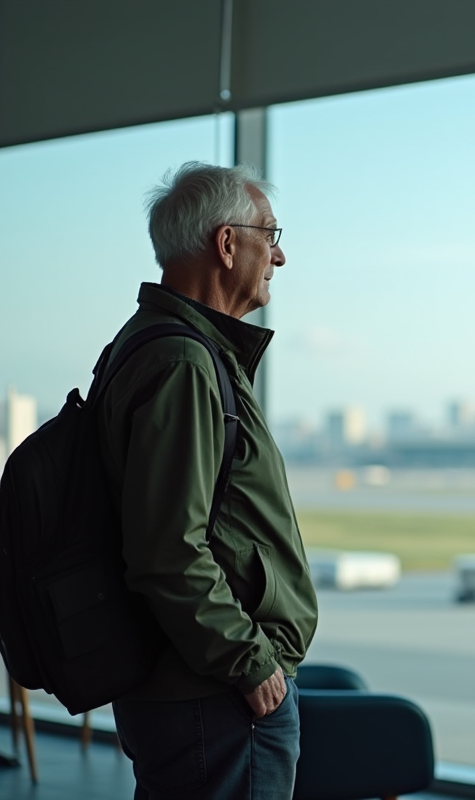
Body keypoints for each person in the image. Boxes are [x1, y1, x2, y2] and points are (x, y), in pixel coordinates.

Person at [98, 162, 319, 799]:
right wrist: (252, 667)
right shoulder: (183, 362)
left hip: (196, 686)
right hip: (214, 695)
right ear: (227, 245)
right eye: (270, 234)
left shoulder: (152, 346)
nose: (280, 254)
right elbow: (168, 549)